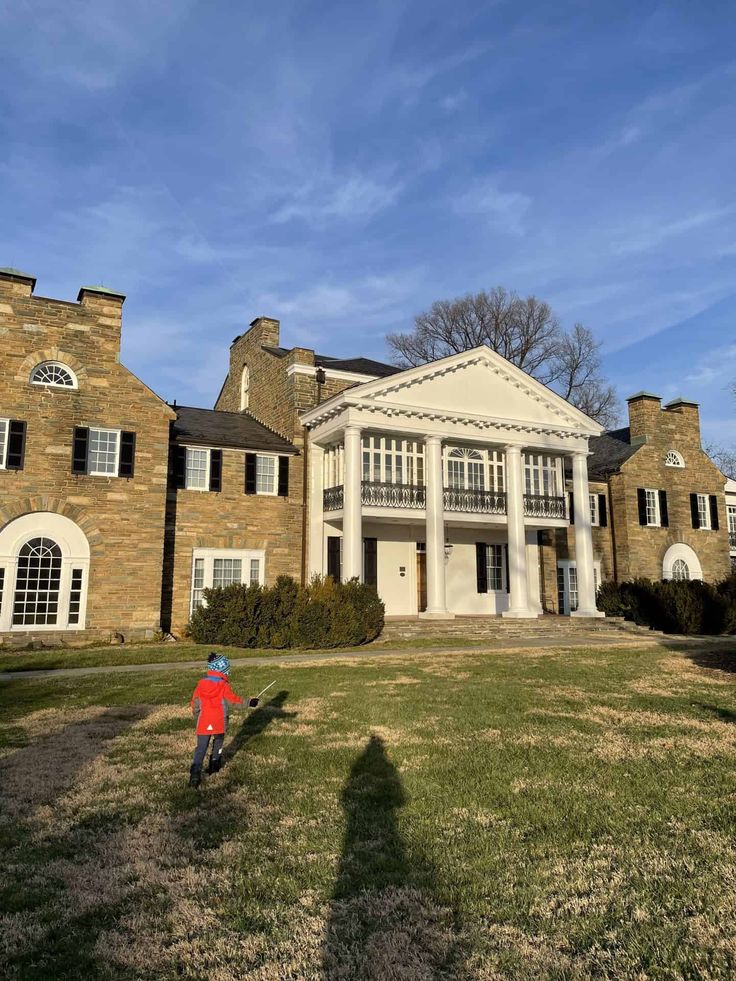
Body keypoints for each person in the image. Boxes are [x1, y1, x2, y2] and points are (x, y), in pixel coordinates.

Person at [188, 653, 258, 788]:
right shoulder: (223, 685)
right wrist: (249, 702)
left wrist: (198, 717)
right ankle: (215, 765)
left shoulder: (200, 685)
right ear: (223, 670)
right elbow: (234, 701)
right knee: (218, 742)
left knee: (201, 748)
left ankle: (195, 775)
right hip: (219, 721)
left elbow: (195, 703)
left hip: (204, 721)